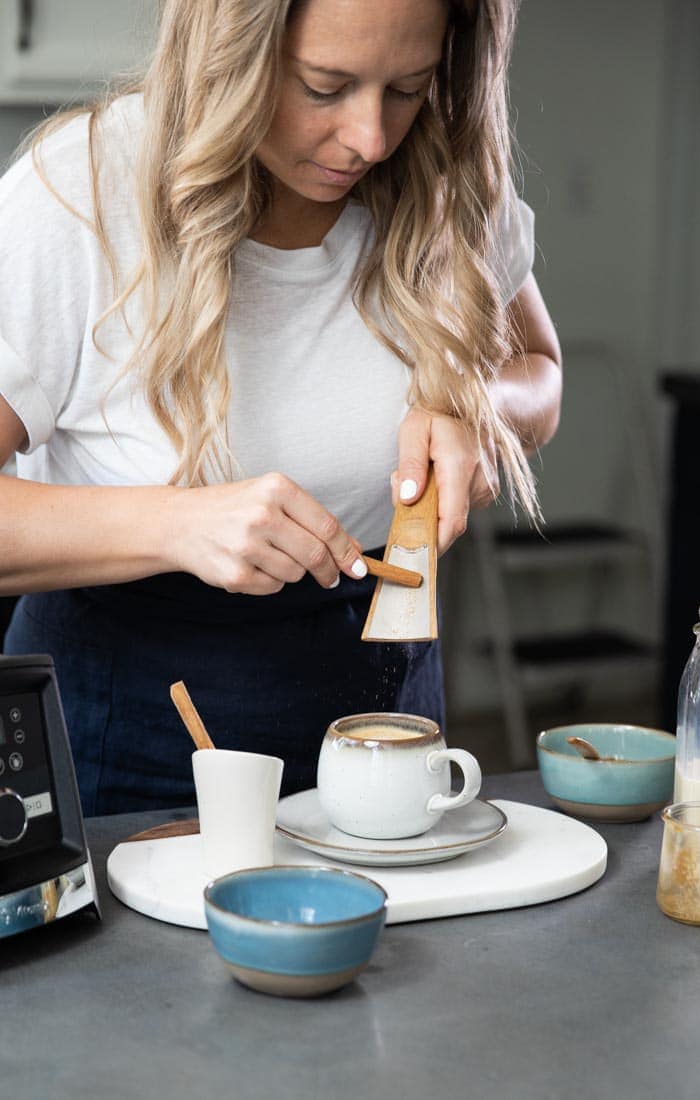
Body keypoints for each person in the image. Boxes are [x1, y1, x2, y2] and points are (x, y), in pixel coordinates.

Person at [0, 0, 561, 815]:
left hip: (388, 711)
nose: (371, 139)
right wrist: (176, 525)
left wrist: (477, 412)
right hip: (124, 739)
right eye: (324, 87)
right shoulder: (78, 193)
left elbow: (538, 371)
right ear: (229, 49)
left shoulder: (449, 175)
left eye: (406, 87)